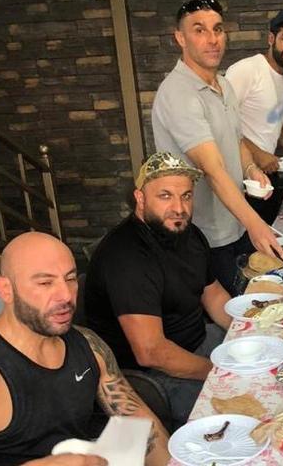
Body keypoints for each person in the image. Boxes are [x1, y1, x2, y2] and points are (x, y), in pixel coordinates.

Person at [0, 232, 170, 466]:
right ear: (6, 290)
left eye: (70, 279)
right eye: (45, 282)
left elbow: (138, 425)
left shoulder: (87, 342)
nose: (66, 296)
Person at [84, 152, 232, 427]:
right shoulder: (127, 257)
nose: (179, 208)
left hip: (199, 341)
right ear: (140, 199)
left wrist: (247, 327)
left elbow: (212, 293)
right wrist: (219, 372)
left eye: (186, 196)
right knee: (242, 413)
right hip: (154, 375)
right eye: (165, 196)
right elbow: (151, 352)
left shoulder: (187, 232)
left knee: (271, 361)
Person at [151, 0, 283, 295]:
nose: (212, 40)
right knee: (240, 315)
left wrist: (250, 167)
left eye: (217, 29)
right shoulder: (178, 93)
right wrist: (256, 223)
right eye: (199, 31)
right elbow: (211, 169)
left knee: (259, 302)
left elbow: (235, 139)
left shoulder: (223, 84)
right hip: (205, 236)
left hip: (234, 222)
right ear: (180, 38)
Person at [225, 9, 283, 225]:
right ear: (271, 38)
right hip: (241, 178)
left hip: (267, 174)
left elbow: (281, 123)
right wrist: (257, 155)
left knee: (268, 236)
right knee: (245, 243)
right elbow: (221, 122)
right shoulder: (246, 70)